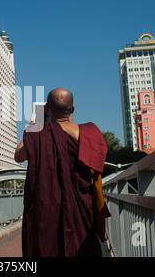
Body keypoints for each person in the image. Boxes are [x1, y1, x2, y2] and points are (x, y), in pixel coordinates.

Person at [15, 88, 110, 257]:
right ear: (72, 109)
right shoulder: (89, 131)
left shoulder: (37, 134)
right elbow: (96, 179)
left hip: (45, 212)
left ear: (47, 109)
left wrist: (36, 123)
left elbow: (18, 156)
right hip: (81, 213)